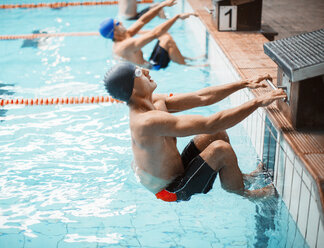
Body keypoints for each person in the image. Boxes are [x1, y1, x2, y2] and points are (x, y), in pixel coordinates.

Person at [103, 62, 287, 202]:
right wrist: (258, 102)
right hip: (170, 190)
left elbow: (201, 97)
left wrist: (243, 84)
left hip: (175, 171)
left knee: (217, 135)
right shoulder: (146, 121)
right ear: (133, 89)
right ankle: (248, 194)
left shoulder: (154, 102)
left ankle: (242, 178)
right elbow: (210, 122)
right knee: (220, 149)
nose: (146, 71)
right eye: (138, 73)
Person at [99, 0, 199, 70]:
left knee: (165, 36)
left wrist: (162, 5)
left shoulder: (124, 35)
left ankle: (184, 59)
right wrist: (176, 17)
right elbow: (155, 33)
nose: (121, 23)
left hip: (147, 63)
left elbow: (142, 21)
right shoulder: (124, 46)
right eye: (117, 24)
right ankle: (188, 66)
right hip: (151, 68)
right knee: (166, 39)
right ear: (115, 33)